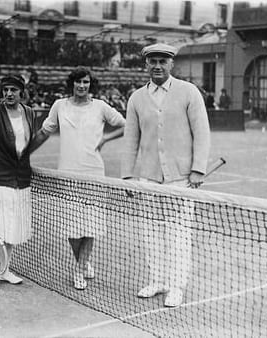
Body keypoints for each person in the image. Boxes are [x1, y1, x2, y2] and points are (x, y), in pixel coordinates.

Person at [120, 43, 210, 306]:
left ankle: (176, 286)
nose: (157, 66)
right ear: (146, 64)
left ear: (172, 64)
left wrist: (197, 169)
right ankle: (158, 280)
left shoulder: (188, 92)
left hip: (181, 179)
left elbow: (201, 132)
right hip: (147, 179)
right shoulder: (136, 98)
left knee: (178, 235)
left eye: (162, 61)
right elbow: (130, 140)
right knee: (151, 233)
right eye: (152, 61)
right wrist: (127, 176)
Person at [29, 67, 126, 290]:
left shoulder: (101, 107)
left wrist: (104, 140)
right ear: (71, 84)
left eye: (86, 82)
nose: (82, 86)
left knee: (90, 225)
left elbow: (125, 125)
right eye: (78, 82)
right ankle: (83, 263)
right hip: (68, 173)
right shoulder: (59, 106)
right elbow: (44, 133)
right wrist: (25, 154)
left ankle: (80, 268)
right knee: (72, 227)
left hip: (93, 173)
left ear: (90, 84)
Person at [0, 75, 41, 290]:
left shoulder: (29, 113)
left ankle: (4, 270)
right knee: (0, 229)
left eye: (13, 89)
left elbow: (28, 145)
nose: (9, 94)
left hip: (21, 181)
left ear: (21, 91)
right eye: (5, 90)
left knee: (13, 228)